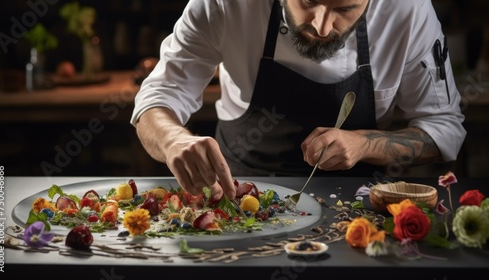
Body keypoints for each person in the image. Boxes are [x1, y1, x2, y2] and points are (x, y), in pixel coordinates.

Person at [130, 0, 466, 201]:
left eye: (345, 8)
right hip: (237, 199)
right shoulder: (225, 4)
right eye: (307, 1)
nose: (321, 26)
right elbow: (159, 96)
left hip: (358, 211)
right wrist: (173, 139)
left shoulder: (408, 11)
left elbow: (444, 128)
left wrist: (365, 145)